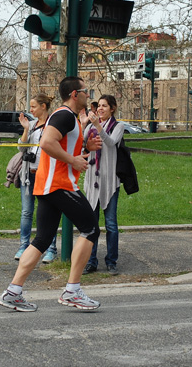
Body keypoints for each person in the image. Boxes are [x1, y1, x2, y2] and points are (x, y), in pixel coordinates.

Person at [0, 76, 103, 312]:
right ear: (75, 94)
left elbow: (61, 146)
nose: (89, 95)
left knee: (42, 240)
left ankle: (13, 292)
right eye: (86, 91)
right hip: (59, 184)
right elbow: (46, 143)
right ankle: (72, 290)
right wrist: (73, 160)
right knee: (91, 229)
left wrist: (85, 149)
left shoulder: (71, 118)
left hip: (48, 184)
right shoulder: (64, 115)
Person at [82, 95, 125, 276]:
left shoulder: (118, 126)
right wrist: (84, 125)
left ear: (112, 108)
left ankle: (111, 261)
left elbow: (110, 142)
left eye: (104, 106)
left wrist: (97, 126)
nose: (100, 109)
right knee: (91, 225)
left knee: (111, 224)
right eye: (98, 106)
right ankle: (91, 261)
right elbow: (82, 145)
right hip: (93, 180)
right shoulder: (91, 126)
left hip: (109, 181)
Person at [15, 94, 58, 264]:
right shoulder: (31, 125)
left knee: (48, 215)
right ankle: (23, 246)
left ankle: (51, 249)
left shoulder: (53, 125)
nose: (30, 110)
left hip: (46, 176)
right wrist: (25, 129)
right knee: (26, 212)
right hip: (29, 175)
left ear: (43, 106)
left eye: (33, 106)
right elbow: (21, 147)